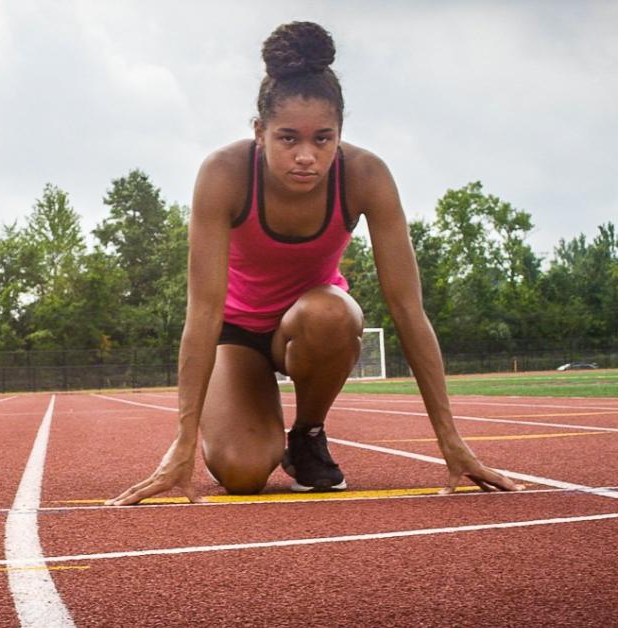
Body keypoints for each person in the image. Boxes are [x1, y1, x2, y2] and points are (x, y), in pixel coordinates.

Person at [109, 22, 523, 505]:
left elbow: (409, 310)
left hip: (309, 326)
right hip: (237, 333)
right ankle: (242, 427)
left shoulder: (365, 176)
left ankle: (306, 434)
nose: (307, 156)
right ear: (259, 132)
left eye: (323, 139)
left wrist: (451, 441)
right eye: (288, 139)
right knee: (242, 475)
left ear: (340, 134)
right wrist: (182, 445)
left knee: (333, 311)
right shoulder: (224, 174)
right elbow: (202, 311)